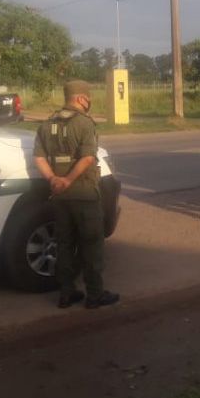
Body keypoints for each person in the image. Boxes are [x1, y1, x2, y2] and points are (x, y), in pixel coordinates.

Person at [33, 80, 120, 309]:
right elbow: (89, 157)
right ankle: (95, 295)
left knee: (64, 244)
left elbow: (39, 158)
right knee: (92, 245)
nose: (89, 102)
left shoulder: (47, 123)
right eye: (88, 98)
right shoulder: (84, 123)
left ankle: (66, 293)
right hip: (84, 194)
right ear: (81, 98)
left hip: (59, 196)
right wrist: (69, 180)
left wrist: (54, 179)